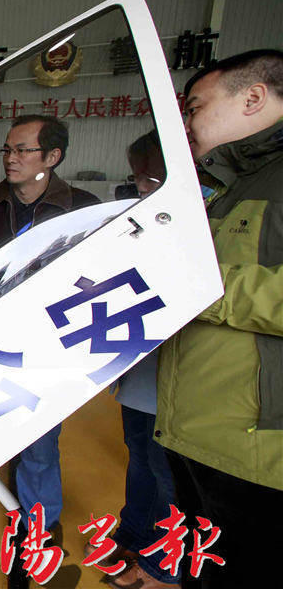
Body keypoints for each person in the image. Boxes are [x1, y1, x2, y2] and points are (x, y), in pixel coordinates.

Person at [0, 114, 99, 589]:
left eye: (22, 150)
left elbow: (94, 279)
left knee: (39, 437)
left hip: (49, 344)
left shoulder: (84, 210)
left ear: (52, 156)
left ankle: (40, 523)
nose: (10, 159)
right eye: (7, 150)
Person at [155, 49, 283, 588]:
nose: (186, 123)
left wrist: (200, 287)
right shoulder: (225, 186)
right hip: (197, 434)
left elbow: (202, 281)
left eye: (195, 107)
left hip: (258, 449)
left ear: (253, 97)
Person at [103, 131, 179, 589]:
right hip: (139, 369)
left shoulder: (197, 222)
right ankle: (133, 535)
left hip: (177, 374)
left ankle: (165, 566)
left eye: (149, 179)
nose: (141, 189)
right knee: (141, 456)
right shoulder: (140, 220)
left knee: (167, 471)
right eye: (137, 180)